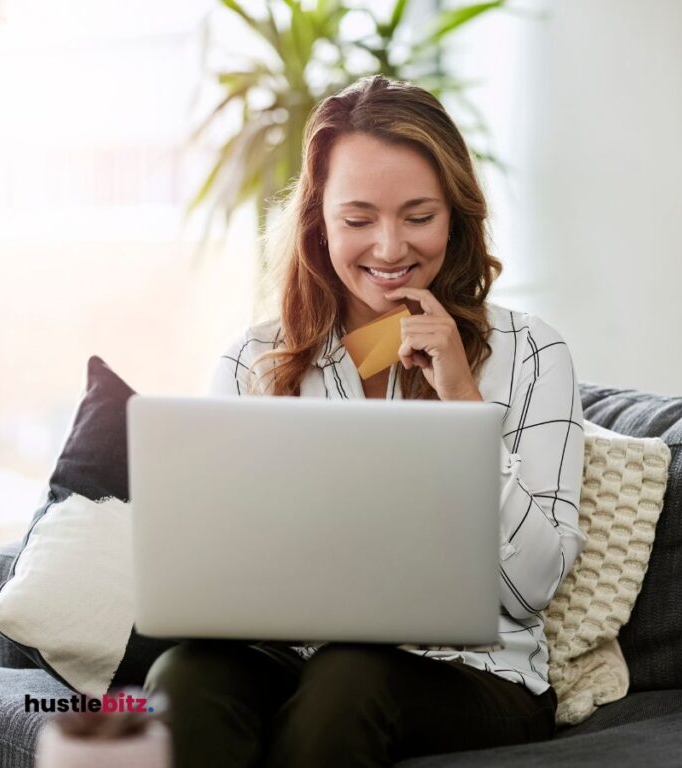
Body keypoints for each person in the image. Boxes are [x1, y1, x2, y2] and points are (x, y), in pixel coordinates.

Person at [144, 74, 586, 767]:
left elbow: (531, 587)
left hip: (475, 675)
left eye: (418, 216)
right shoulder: (251, 362)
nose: (389, 249)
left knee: (348, 678)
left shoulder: (531, 354)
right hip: (291, 659)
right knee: (180, 681)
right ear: (318, 222)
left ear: (457, 216)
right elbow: (214, 574)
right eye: (358, 220)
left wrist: (463, 404)